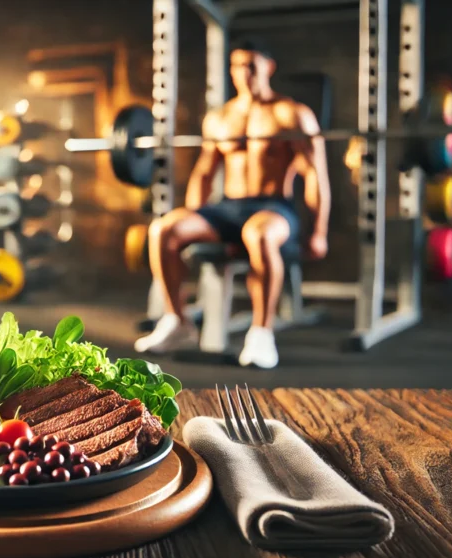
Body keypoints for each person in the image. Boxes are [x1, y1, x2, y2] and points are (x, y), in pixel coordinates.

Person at [135, 40, 331, 369]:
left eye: (251, 65)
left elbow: (315, 174)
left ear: (269, 67)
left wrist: (319, 231)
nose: (243, 73)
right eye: (237, 66)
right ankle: (177, 321)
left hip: (273, 208)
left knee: (259, 235)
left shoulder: (291, 113)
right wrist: (193, 215)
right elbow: (204, 172)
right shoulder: (220, 119)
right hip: (227, 207)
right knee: (162, 229)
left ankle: (261, 334)